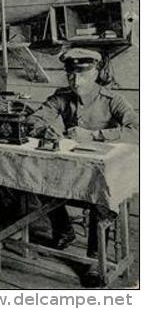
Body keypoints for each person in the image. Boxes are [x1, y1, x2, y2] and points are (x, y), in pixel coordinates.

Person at [27, 48, 139, 287]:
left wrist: (94, 135)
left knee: (101, 192)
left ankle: (94, 259)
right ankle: (64, 229)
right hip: (72, 168)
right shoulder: (62, 97)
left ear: (96, 73)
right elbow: (34, 119)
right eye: (70, 75)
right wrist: (43, 130)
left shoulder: (113, 101)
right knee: (36, 176)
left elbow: (138, 131)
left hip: (102, 172)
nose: (76, 81)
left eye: (82, 74)